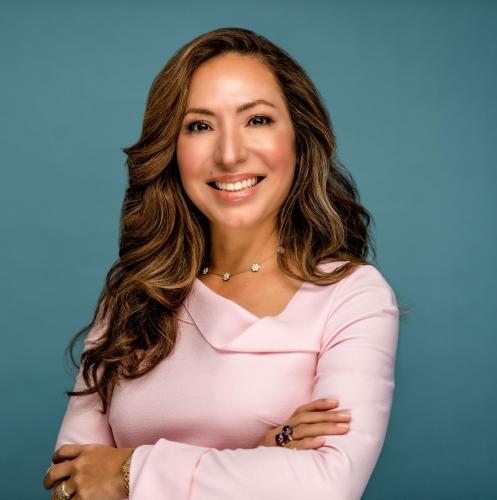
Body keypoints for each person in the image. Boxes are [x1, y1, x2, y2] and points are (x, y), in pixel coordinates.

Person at [43, 27, 400, 500]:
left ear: (300, 137)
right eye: (199, 126)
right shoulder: (135, 293)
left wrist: (129, 471)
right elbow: (71, 482)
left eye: (257, 120)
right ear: (171, 149)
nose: (230, 154)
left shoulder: (353, 296)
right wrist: (256, 457)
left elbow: (326, 485)